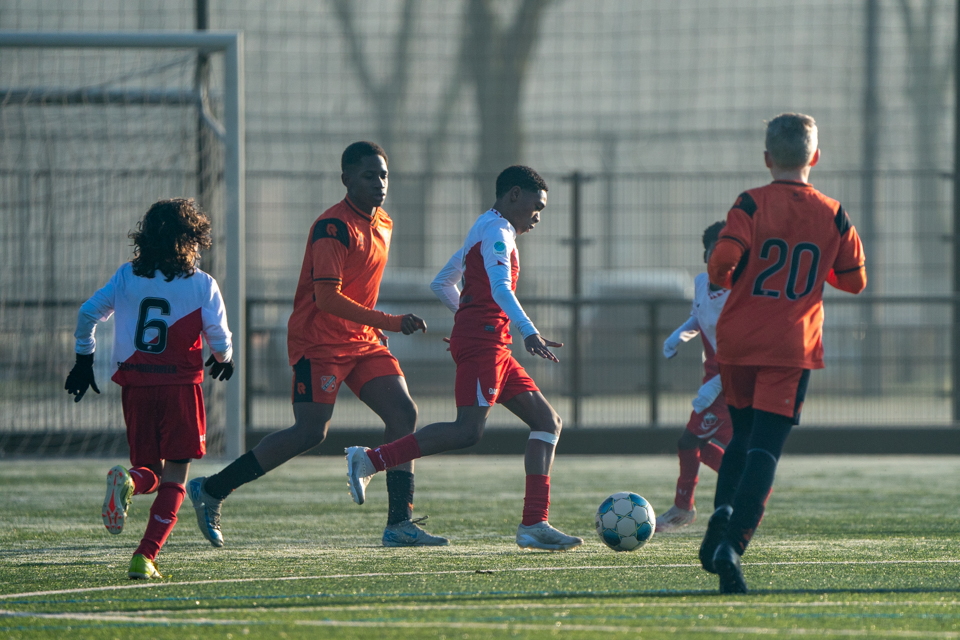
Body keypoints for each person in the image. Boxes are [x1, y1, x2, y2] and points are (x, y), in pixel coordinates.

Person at [188, 141, 447, 548]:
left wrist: (375, 327)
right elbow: (327, 298)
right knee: (310, 432)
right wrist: (391, 322)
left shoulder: (385, 223)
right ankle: (212, 489)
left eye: (384, 175)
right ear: (345, 179)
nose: (379, 183)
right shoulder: (332, 227)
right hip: (319, 341)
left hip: (360, 341)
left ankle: (399, 523)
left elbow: (362, 288)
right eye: (369, 175)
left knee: (403, 413)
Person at [345, 165, 583, 551]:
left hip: (491, 342)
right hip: (486, 342)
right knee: (467, 430)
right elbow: (501, 287)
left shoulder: (485, 227)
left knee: (547, 421)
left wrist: (467, 319)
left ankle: (534, 524)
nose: (538, 215)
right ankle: (371, 459)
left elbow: (442, 282)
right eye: (536, 206)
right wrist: (527, 330)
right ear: (514, 196)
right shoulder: (497, 232)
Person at [698, 113, 866, 593]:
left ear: (768, 158)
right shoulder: (833, 213)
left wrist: (733, 279)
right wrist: (819, 275)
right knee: (765, 449)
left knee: (741, 435)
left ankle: (722, 510)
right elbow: (855, 282)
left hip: (738, 340)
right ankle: (732, 542)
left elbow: (722, 264)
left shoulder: (750, 203)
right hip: (790, 346)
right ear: (815, 156)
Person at [66, 198, 234, 580]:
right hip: (179, 387)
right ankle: (145, 556)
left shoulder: (127, 276)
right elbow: (219, 338)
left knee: (150, 470)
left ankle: (129, 480)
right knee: (176, 473)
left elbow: (87, 313)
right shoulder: (202, 284)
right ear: (191, 239)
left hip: (136, 385)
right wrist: (224, 359)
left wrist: (83, 358)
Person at [656, 221, 733, 533]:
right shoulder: (702, 283)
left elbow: (744, 351)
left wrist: (717, 385)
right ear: (706, 254)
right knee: (694, 443)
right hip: (713, 377)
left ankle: (683, 508)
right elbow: (698, 318)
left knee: (690, 441)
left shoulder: (741, 294)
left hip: (733, 381)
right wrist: (678, 337)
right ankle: (740, 480)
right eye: (718, 249)